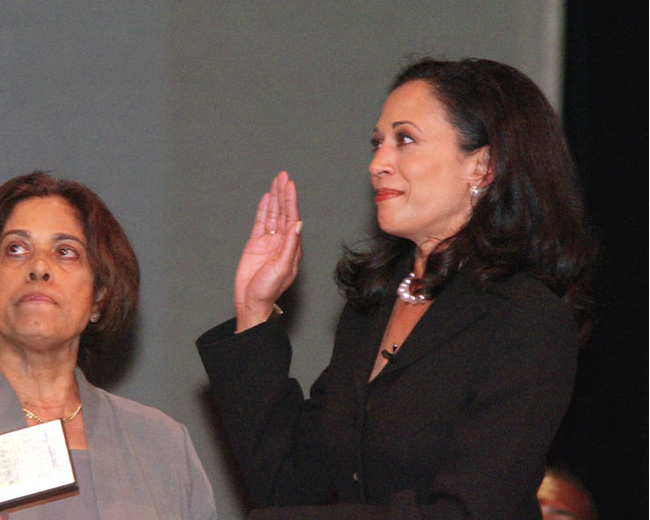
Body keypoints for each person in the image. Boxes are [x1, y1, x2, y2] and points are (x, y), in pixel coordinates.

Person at [197, 58, 595, 519]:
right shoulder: (372, 310)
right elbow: (288, 486)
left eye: (405, 140)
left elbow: (470, 512)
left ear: (483, 166)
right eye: (377, 143)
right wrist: (254, 309)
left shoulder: (525, 317)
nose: (378, 164)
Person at [0, 172, 218, 519]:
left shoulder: (163, 445)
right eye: (16, 249)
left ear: (98, 298)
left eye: (65, 252)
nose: (39, 267)